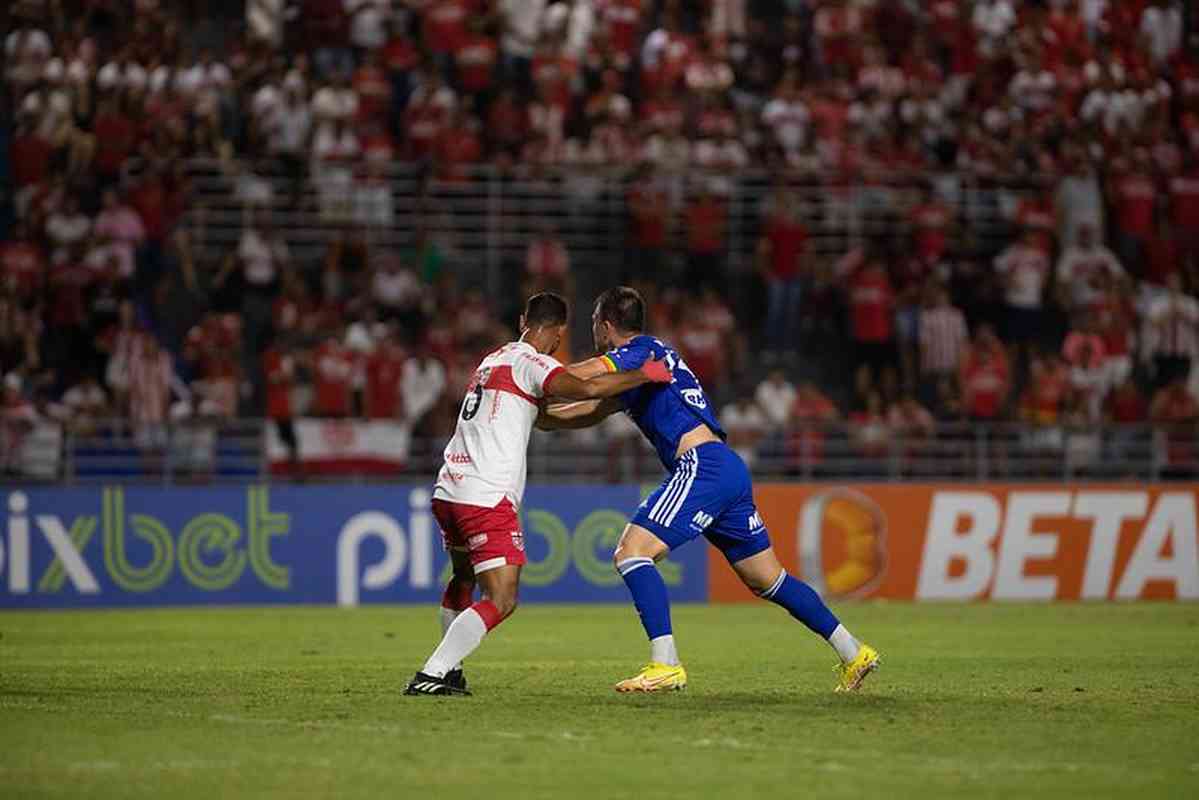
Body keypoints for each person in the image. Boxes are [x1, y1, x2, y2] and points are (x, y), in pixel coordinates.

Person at [538, 287, 878, 693]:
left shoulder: (643, 350)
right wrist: (540, 418)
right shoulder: (640, 374)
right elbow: (589, 410)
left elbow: (587, 376)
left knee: (631, 553)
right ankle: (853, 651)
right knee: (768, 579)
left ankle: (665, 664)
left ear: (606, 325)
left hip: (701, 464)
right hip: (726, 469)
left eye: (593, 322)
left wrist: (534, 376)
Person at [404, 292, 672, 696]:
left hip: (450, 488)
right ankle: (434, 672)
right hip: (485, 495)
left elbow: (549, 413)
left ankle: (451, 670)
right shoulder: (534, 362)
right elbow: (583, 388)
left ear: (521, 321)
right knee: (503, 597)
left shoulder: (493, 359)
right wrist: (645, 375)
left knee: (462, 576)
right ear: (560, 332)